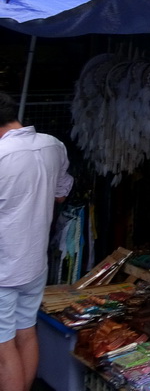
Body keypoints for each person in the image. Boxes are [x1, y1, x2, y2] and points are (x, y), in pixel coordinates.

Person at [0, 92, 74, 391]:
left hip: (4, 267)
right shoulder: (52, 145)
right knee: (26, 332)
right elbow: (60, 193)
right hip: (34, 262)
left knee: (4, 352)